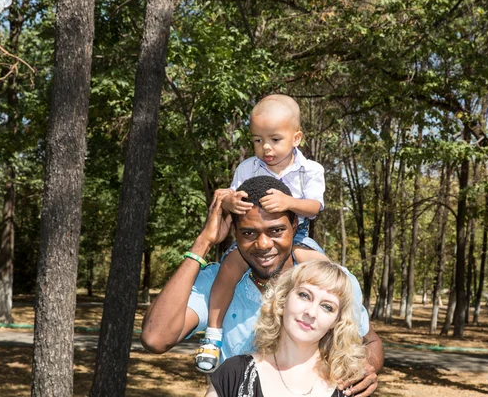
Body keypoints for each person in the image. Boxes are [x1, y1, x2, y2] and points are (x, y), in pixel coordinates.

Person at [141, 176, 382, 396]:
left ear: (295, 225)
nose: (263, 244)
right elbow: (155, 338)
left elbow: (370, 341)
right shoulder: (216, 284)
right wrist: (204, 241)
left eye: (276, 230)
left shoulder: (328, 286)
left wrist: (366, 366)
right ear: (234, 232)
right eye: (248, 233)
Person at [199, 94, 326, 373]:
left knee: (325, 273)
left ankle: (333, 338)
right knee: (228, 269)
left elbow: (314, 206)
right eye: (257, 140)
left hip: (298, 234)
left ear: (296, 138)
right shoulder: (247, 168)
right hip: (252, 234)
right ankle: (213, 335)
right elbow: (234, 198)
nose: (265, 147)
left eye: (275, 139)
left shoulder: (310, 170)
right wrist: (230, 202)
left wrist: (289, 203)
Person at [206, 260, 366, 397]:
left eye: (327, 307)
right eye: (304, 295)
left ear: (336, 322)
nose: (311, 312)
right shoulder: (233, 374)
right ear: (283, 299)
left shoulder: (350, 386)